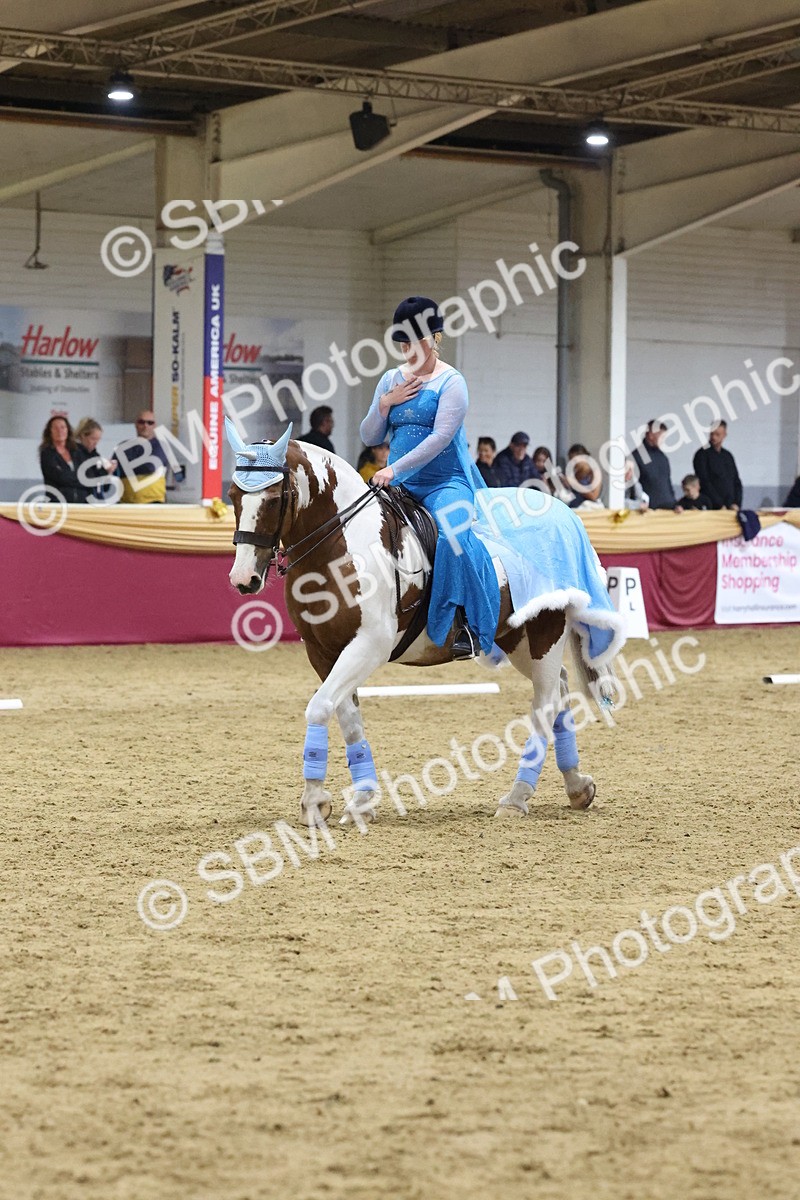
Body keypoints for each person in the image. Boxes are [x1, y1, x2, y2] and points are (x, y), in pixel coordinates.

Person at [361, 295, 499, 660]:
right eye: (401, 342)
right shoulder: (391, 379)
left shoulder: (452, 383)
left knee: (454, 536)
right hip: (399, 484)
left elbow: (440, 439)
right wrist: (385, 404)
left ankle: (464, 623)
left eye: (413, 341)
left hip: (445, 482)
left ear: (434, 338)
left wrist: (395, 468)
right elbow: (370, 436)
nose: (406, 349)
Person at [113, 410, 173, 504]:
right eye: (142, 422)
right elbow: (114, 470)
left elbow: (150, 467)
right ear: (136, 424)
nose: (146, 425)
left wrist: (127, 464)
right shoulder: (123, 446)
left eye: (150, 423)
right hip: (127, 504)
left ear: (154, 426)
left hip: (153, 504)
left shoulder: (161, 446)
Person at [632, 420, 684, 512]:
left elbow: (667, 483)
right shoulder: (637, 456)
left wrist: (675, 504)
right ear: (651, 435)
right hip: (648, 510)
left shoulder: (662, 457)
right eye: (662, 437)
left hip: (668, 508)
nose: (663, 440)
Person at [692, 420, 742, 511]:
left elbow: (736, 481)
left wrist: (737, 503)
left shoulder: (727, 456)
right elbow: (704, 482)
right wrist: (719, 504)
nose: (714, 437)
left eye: (717, 434)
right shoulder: (702, 454)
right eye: (712, 434)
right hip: (711, 506)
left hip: (731, 507)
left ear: (724, 435)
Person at [39, 414, 82, 502]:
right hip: (57, 505)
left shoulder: (77, 450)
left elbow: (88, 473)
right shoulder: (47, 453)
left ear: (68, 430)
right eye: (55, 428)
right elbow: (62, 478)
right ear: (50, 431)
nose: (60, 431)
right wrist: (83, 480)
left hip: (80, 505)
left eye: (63, 427)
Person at [73, 418, 117, 503]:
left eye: (98, 439)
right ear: (83, 436)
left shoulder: (96, 456)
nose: (96, 442)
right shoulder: (74, 454)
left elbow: (105, 488)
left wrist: (109, 472)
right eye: (93, 439)